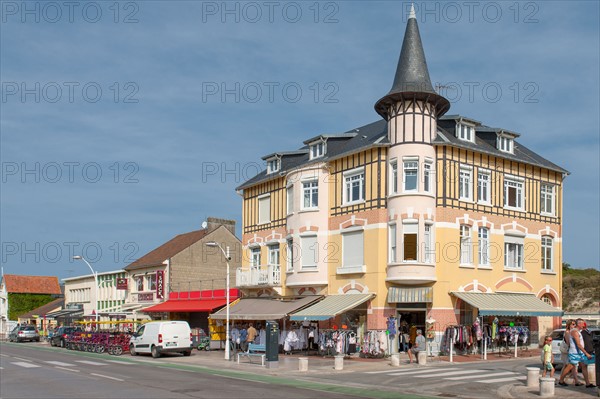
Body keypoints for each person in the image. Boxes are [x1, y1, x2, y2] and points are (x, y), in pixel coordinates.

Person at [558, 318, 592, 387]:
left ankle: (588, 383)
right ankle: (561, 380)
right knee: (569, 366)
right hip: (575, 353)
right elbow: (578, 344)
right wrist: (586, 353)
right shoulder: (574, 332)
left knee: (584, 366)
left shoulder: (578, 331)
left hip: (579, 353)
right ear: (579, 324)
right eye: (582, 323)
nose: (583, 325)